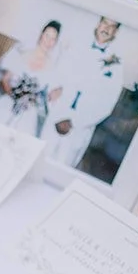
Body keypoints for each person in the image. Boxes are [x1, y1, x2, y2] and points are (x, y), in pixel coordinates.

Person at [42, 17, 125, 169]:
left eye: (112, 27)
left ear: (116, 32)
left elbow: (108, 103)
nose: (106, 29)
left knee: (61, 169)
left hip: (79, 127)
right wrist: (55, 101)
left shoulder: (116, 65)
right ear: (98, 24)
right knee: (39, 159)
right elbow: (57, 75)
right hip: (56, 113)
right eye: (104, 23)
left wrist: (75, 122)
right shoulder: (77, 47)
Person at [0, 21, 65, 138]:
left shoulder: (53, 69)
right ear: (41, 35)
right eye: (47, 35)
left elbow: (52, 95)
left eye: (53, 39)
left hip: (28, 113)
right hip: (8, 104)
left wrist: (39, 98)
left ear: (55, 43)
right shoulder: (21, 55)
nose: (48, 41)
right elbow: (5, 80)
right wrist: (16, 96)